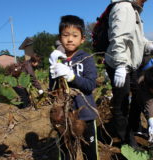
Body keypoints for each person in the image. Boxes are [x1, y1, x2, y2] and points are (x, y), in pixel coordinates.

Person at [104, 0, 153, 146]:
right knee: (121, 103)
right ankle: (127, 141)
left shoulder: (133, 9)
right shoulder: (123, 7)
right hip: (120, 64)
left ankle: (134, 127)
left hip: (130, 64)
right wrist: (120, 65)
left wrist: (147, 44)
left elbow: (134, 37)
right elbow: (118, 38)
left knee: (138, 94)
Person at [49, 15, 99, 160]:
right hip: (63, 117)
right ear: (60, 37)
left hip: (86, 115)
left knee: (90, 154)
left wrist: (72, 77)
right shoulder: (58, 59)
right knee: (66, 153)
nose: (70, 39)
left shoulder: (87, 58)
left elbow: (90, 85)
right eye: (65, 35)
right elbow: (52, 90)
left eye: (75, 35)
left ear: (82, 39)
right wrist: (53, 70)